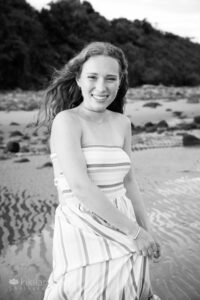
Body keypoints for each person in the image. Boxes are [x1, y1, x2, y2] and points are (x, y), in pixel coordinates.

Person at [39, 41, 161, 300]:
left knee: (132, 291)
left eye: (111, 78)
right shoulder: (67, 121)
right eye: (93, 77)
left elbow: (129, 182)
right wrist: (135, 233)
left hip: (124, 218)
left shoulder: (122, 123)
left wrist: (146, 229)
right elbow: (80, 188)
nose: (101, 87)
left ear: (120, 82)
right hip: (83, 224)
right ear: (79, 79)